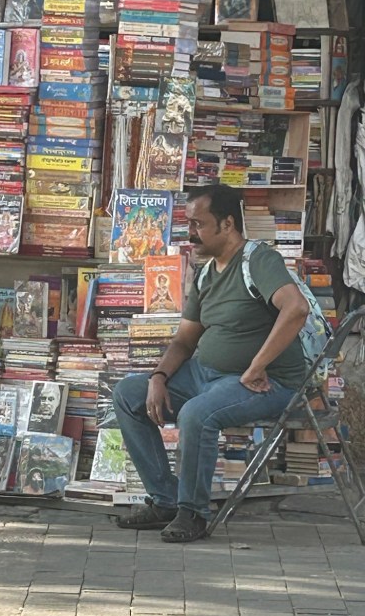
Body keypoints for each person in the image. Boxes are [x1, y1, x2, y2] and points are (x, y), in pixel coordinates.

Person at [113, 184, 309, 543]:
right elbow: (184, 340)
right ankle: (166, 500)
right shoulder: (206, 273)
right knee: (128, 393)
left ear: (227, 224)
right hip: (206, 374)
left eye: (198, 224)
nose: (191, 233)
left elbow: (296, 308)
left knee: (196, 414)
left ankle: (193, 514)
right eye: (189, 224)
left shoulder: (257, 260)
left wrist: (256, 366)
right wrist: (158, 376)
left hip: (265, 382)